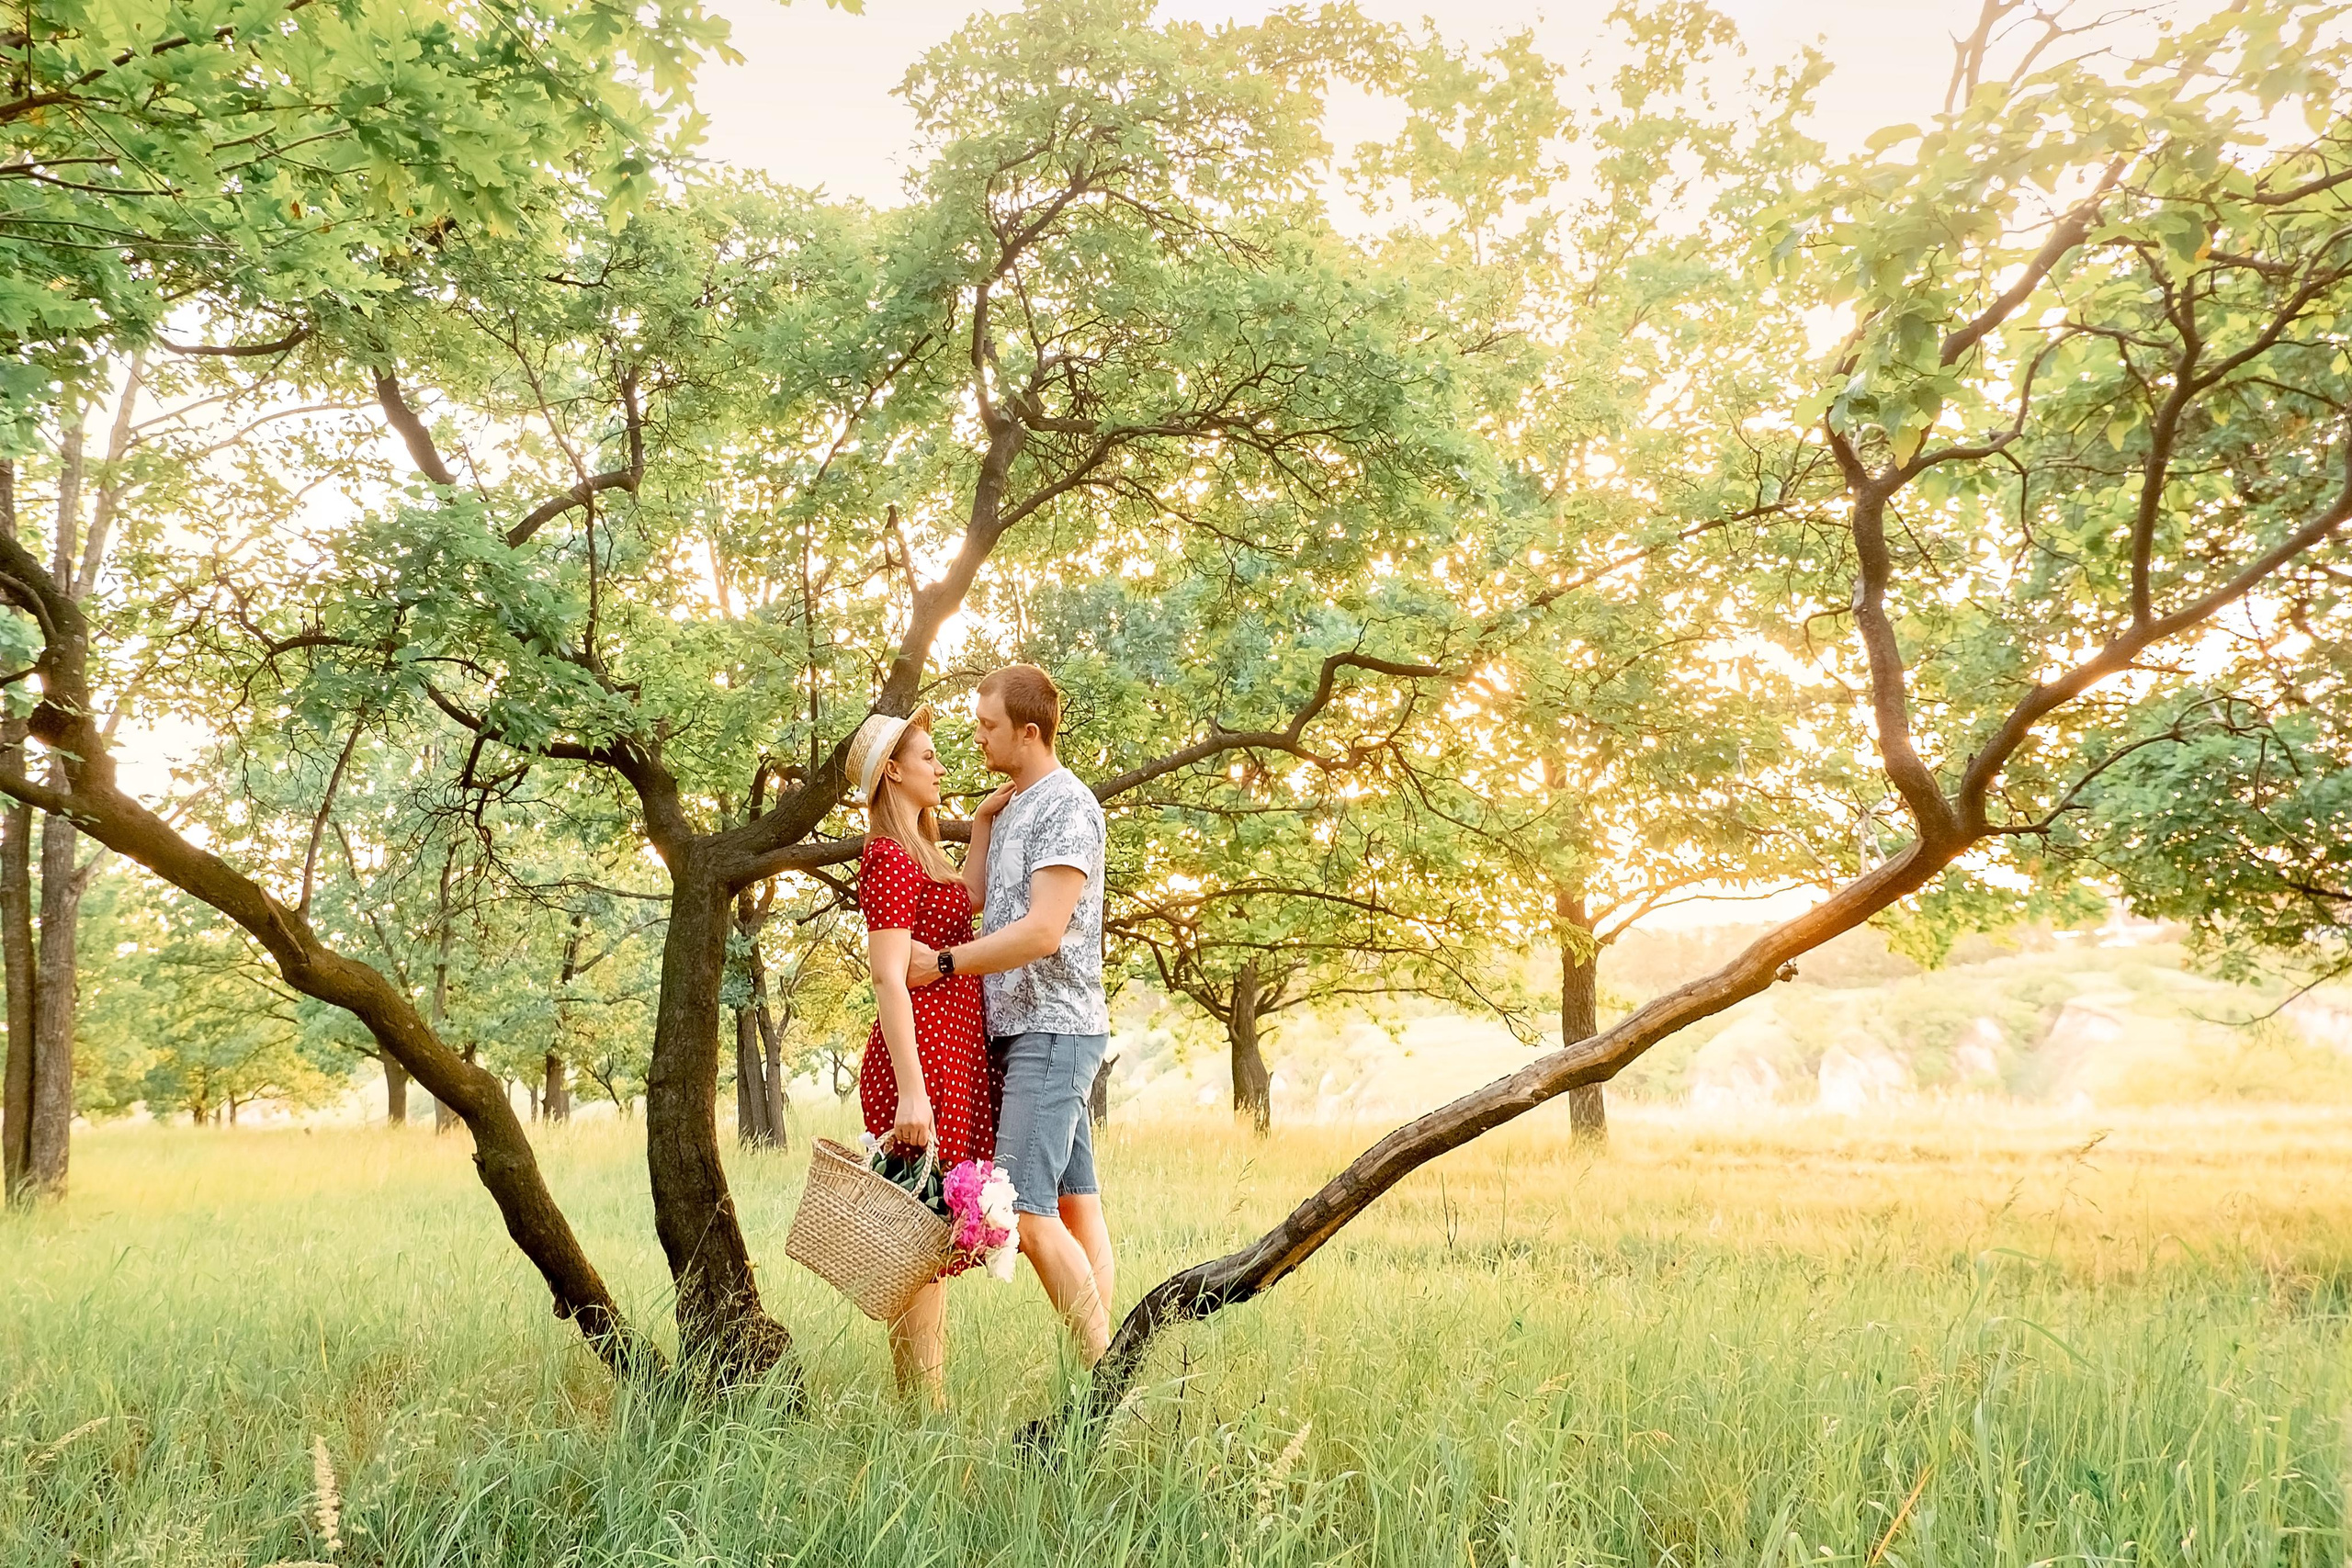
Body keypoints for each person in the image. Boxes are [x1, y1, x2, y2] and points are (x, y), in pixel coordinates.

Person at [909, 664, 1115, 1365]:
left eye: (989, 725)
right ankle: (1107, 1373)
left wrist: (942, 962)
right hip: (1025, 1030)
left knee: (1026, 1215)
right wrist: (987, 821)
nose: (977, 736)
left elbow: (1042, 931)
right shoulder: (1019, 803)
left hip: (1053, 1030)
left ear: (1029, 732)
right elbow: (984, 901)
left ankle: (1110, 1384)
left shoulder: (1068, 805)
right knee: (1076, 1204)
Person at [848, 704, 992, 1404]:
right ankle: (923, 1407)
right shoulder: (887, 854)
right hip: (919, 1062)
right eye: (928, 757)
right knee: (916, 1240)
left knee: (925, 1239)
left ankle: (921, 1405)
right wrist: (912, 1090)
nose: (941, 767)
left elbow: (971, 897)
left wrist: (986, 824)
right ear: (894, 772)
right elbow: (887, 972)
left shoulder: (924, 853)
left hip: (948, 1059)